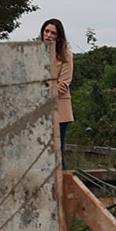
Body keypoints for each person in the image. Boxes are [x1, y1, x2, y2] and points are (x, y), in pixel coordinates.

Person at [37, 16, 75, 161]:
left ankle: (63, 182)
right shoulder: (36, 52)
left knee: (57, 152)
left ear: (59, 37)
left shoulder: (66, 55)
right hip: (38, 110)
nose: (48, 35)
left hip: (59, 109)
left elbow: (64, 84)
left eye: (53, 33)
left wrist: (44, 95)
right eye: (46, 31)